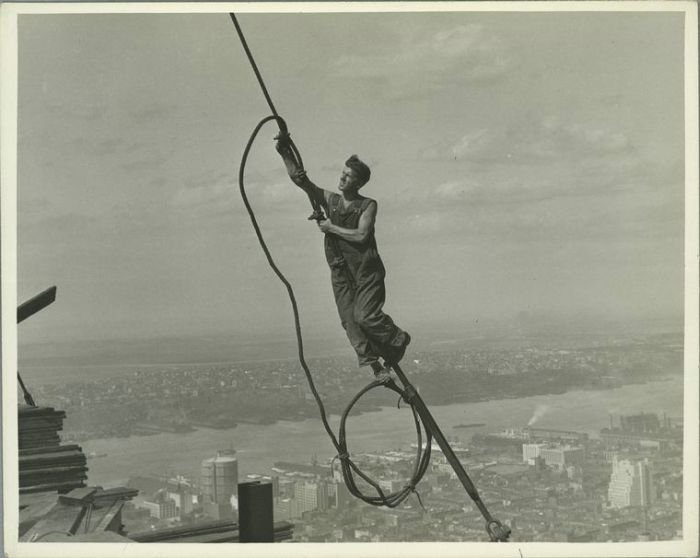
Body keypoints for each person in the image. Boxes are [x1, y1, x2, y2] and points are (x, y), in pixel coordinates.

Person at [276, 135, 410, 377]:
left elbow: (361, 235)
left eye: (348, 176)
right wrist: (284, 152)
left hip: (365, 272)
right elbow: (303, 182)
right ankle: (375, 367)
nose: (342, 177)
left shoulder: (368, 205)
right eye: (343, 172)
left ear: (358, 183)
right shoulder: (332, 201)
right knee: (350, 322)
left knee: (365, 316)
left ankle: (397, 339)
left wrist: (331, 228)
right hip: (340, 270)